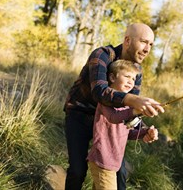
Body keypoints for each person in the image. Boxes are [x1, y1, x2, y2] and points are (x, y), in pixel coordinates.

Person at [64, 23, 165, 190]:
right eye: (143, 42)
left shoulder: (136, 70)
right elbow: (99, 92)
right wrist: (133, 100)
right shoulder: (102, 55)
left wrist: (143, 131)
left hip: (109, 124)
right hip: (81, 114)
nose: (148, 49)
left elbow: (128, 113)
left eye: (151, 44)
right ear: (127, 40)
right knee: (77, 170)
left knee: (120, 176)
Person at [87, 59, 159, 190]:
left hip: (113, 162)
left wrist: (145, 132)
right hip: (102, 160)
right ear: (112, 77)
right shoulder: (105, 101)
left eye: (133, 78)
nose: (131, 81)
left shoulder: (126, 107)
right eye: (127, 76)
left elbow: (128, 132)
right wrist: (134, 110)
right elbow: (113, 117)